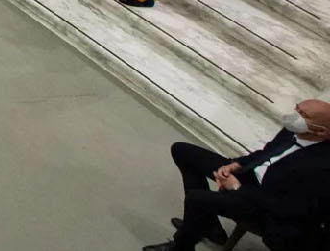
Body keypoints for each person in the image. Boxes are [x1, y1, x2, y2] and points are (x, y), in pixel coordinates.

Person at [139, 99, 330, 251]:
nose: (294, 115)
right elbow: (266, 152)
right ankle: (210, 227)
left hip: (264, 205)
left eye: (302, 114)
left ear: (321, 131)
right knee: (182, 151)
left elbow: (286, 205)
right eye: (297, 108)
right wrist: (236, 166)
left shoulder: (321, 166)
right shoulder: (292, 131)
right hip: (250, 175)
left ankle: (181, 247)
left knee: (196, 199)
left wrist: (236, 188)